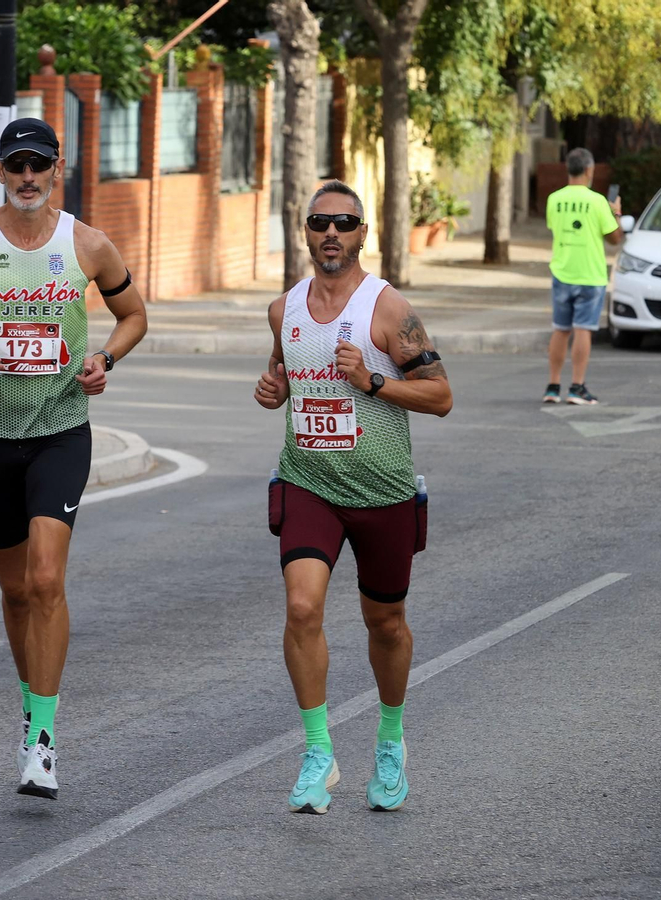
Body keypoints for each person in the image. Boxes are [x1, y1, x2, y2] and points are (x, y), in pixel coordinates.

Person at [0, 118, 149, 800]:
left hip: (61, 432)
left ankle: (42, 739)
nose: (27, 177)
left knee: (46, 579)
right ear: (0, 170)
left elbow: (134, 315)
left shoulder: (87, 244)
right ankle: (30, 702)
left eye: (37, 165)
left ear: (56, 170)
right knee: (16, 589)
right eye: (16, 165)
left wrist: (105, 358)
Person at [252, 180, 453, 814]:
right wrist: (274, 391)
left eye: (344, 222)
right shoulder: (283, 310)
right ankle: (318, 751)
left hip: (382, 490)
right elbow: (286, 374)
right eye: (320, 223)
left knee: (385, 623)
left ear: (363, 232)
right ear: (306, 233)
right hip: (308, 482)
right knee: (301, 607)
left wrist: (371, 381)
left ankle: (390, 740)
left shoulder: (388, 310)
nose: (331, 233)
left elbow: (441, 395)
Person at [542, 147, 621, 405]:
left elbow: (554, 228)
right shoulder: (598, 201)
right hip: (590, 274)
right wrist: (616, 213)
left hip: (562, 271)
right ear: (589, 170)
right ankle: (576, 387)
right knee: (583, 330)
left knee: (560, 329)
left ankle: (553, 386)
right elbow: (614, 238)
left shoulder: (554, 199)